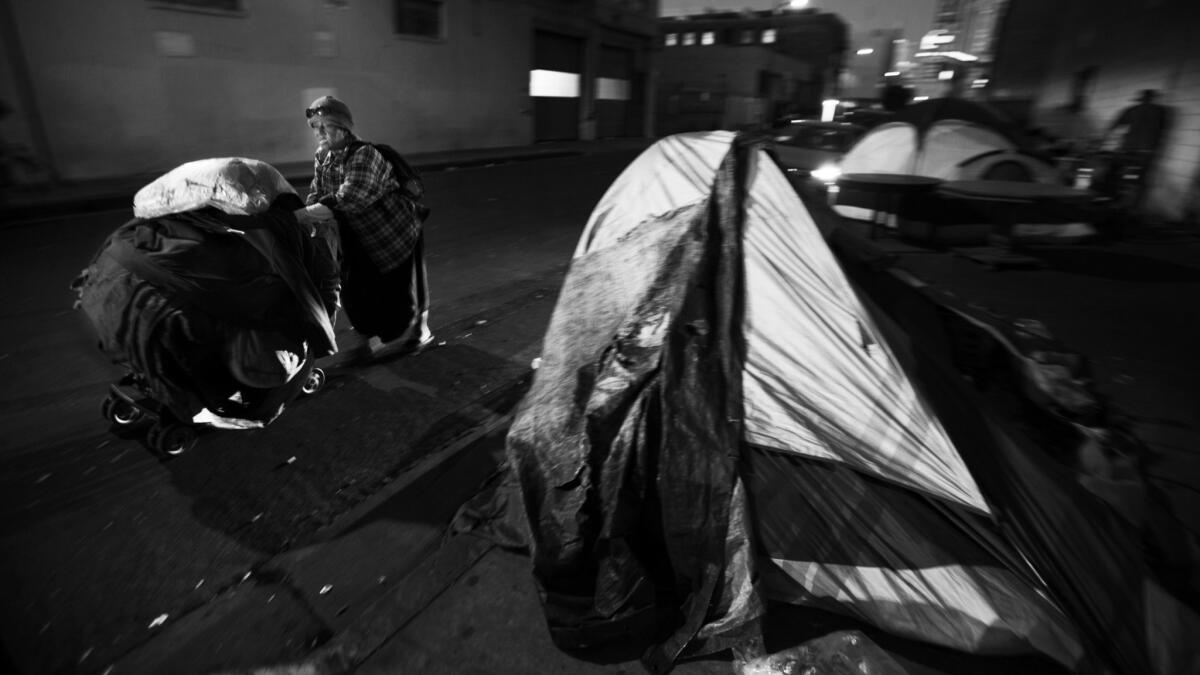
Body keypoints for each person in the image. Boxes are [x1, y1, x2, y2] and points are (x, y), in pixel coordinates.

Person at [295, 95, 433, 364]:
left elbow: (349, 198)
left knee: (403, 288)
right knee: (356, 290)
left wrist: (300, 216)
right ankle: (367, 343)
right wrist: (307, 213)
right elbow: (317, 193)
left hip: (393, 231)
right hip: (356, 234)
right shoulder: (323, 156)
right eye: (315, 127)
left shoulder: (364, 154)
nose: (320, 133)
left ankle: (420, 332)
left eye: (326, 126)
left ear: (344, 127)